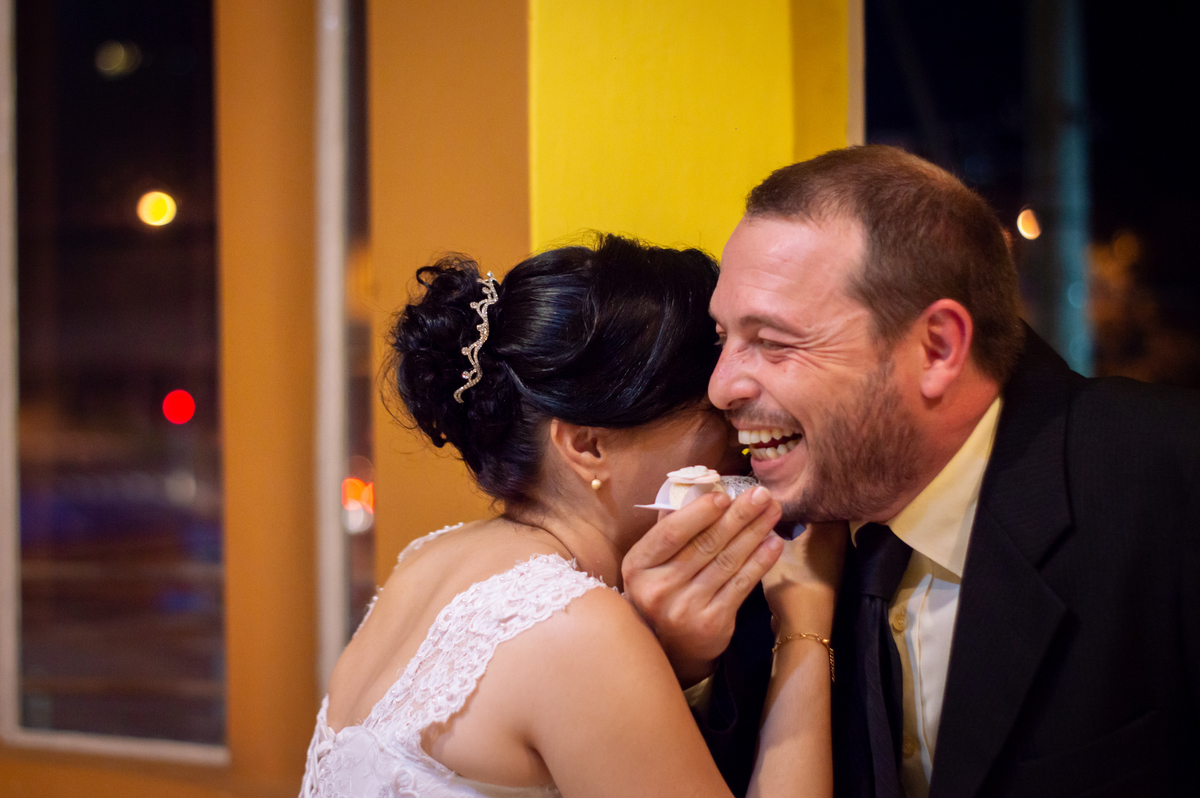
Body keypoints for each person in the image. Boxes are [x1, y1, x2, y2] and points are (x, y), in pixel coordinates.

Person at [622, 146, 1200, 797]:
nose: (722, 386)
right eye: (725, 338)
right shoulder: (770, 529)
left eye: (774, 341)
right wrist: (690, 666)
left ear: (937, 348)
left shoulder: (1170, 482)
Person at [300, 235, 844, 798]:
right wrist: (805, 627)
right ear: (586, 446)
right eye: (710, 401)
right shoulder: (578, 632)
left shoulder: (426, 560)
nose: (738, 422)